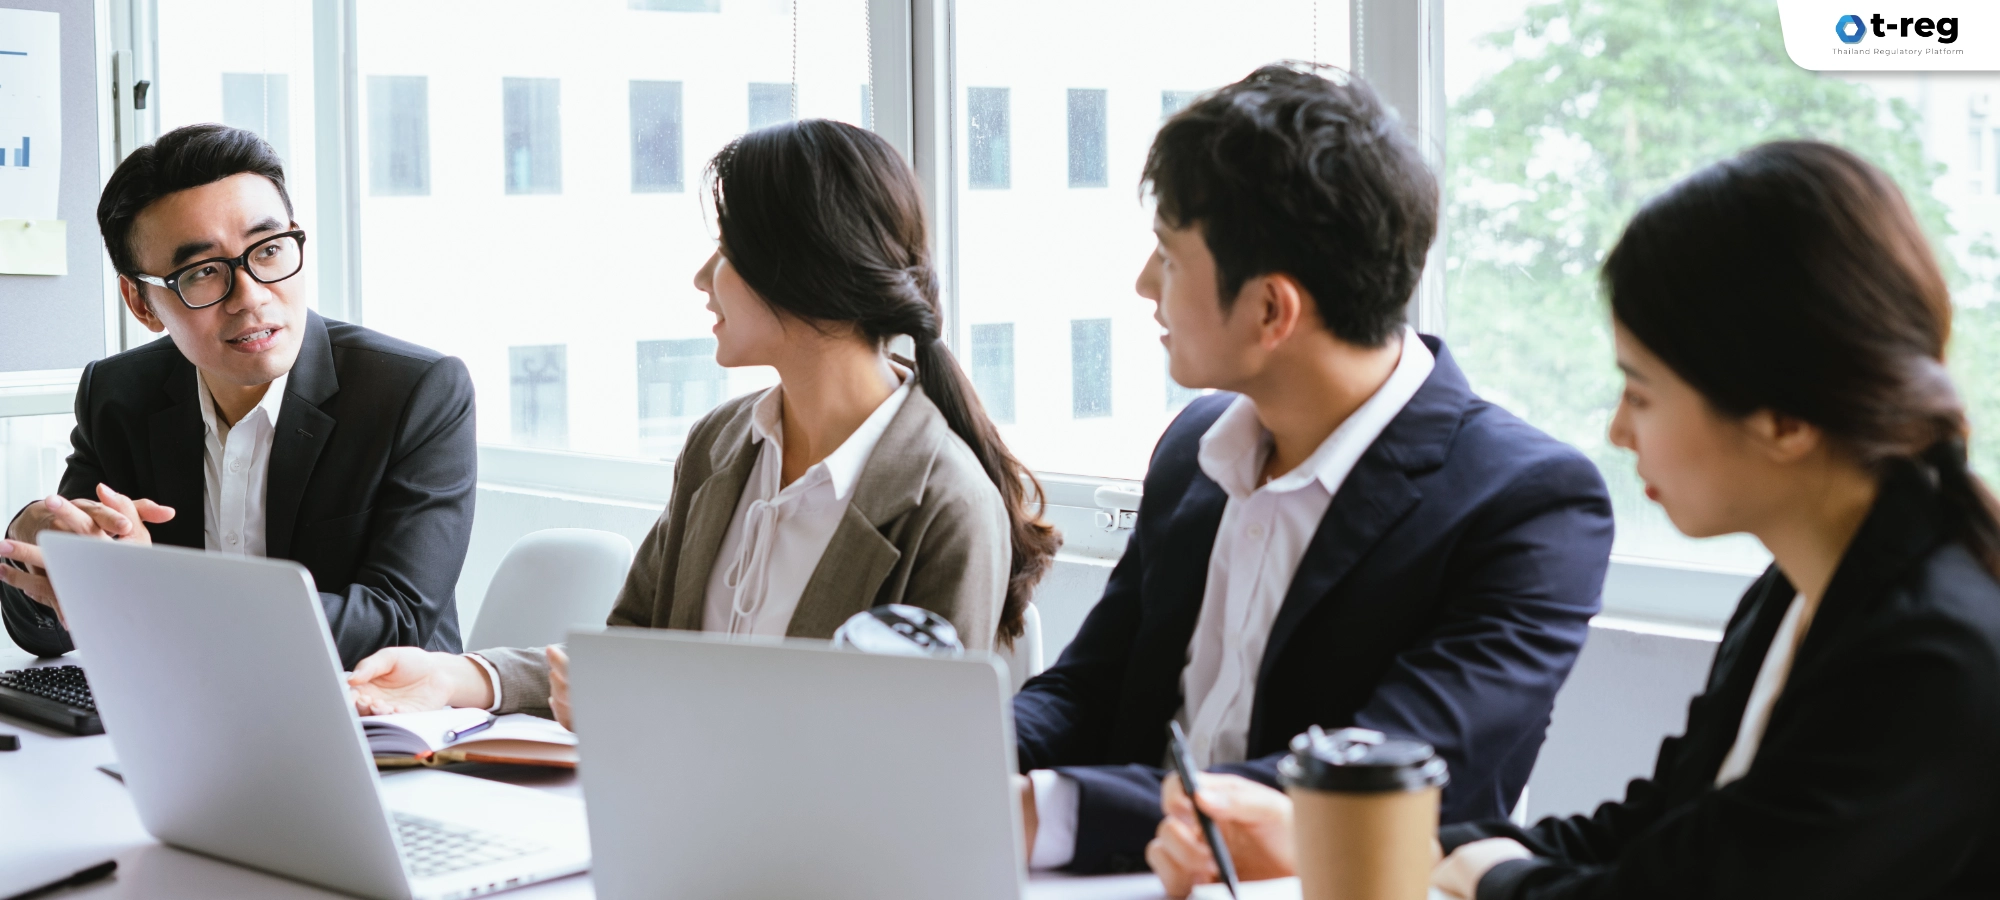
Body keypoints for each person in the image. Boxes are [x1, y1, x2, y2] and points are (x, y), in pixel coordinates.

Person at [1145, 140, 2000, 899]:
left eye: (1641, 390)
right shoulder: (1796, 594)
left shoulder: (1930, 657)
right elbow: (1654, 835)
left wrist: (1475, 872)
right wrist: (1420, 852)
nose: (1618, 431)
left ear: (1784, 419)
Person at [1009, 63, 1617, 876]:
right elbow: (1089, 692)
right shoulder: (1194, 447)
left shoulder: (1529, 503)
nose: (1143, 283)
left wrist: (1049, 810)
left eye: (1169, 256)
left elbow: (1368, 790)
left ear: (1271, 310)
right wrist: (961, 759)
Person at [344, 119, 1060, 726]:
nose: (702, 277)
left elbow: (922, 767)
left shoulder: (946, 505)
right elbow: (631, 651)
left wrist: (663, 720)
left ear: (801, 269)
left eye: (727, 252)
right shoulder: (721, 445)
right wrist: (460, 680)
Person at [0, 124, 476, 669]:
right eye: (203, 272)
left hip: (381, 726)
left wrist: (161, 598)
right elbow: (51, 632)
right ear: (142, 302)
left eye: (269, 249)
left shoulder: (414, 392)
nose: (251, 297)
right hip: (181, 711)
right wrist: (34, 534)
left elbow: (398, 624)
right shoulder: (119, 396)